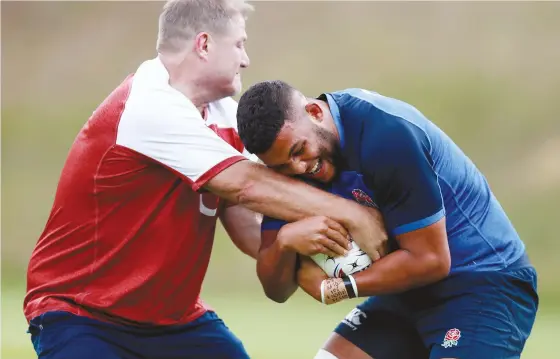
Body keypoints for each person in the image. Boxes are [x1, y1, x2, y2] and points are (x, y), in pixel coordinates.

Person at [23, 2, 389, 359]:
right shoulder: (147, 104)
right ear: (204, 44)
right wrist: (354, 215)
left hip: (173, 321)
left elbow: (251, 224)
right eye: (239, 44)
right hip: (82, 313)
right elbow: (246, 184)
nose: (245, 59)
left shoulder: (224, 116)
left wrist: (310, 253)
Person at [236, 80, 539, 359]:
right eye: (282, 166)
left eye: (299, 150)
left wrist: (337, 288)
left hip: (483, 282)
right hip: (404, 290)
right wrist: (286, 243)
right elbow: (276, 290)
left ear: (315, 112)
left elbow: (432, 260)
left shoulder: (385, 135)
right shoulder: (286, 166)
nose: (299, 168)